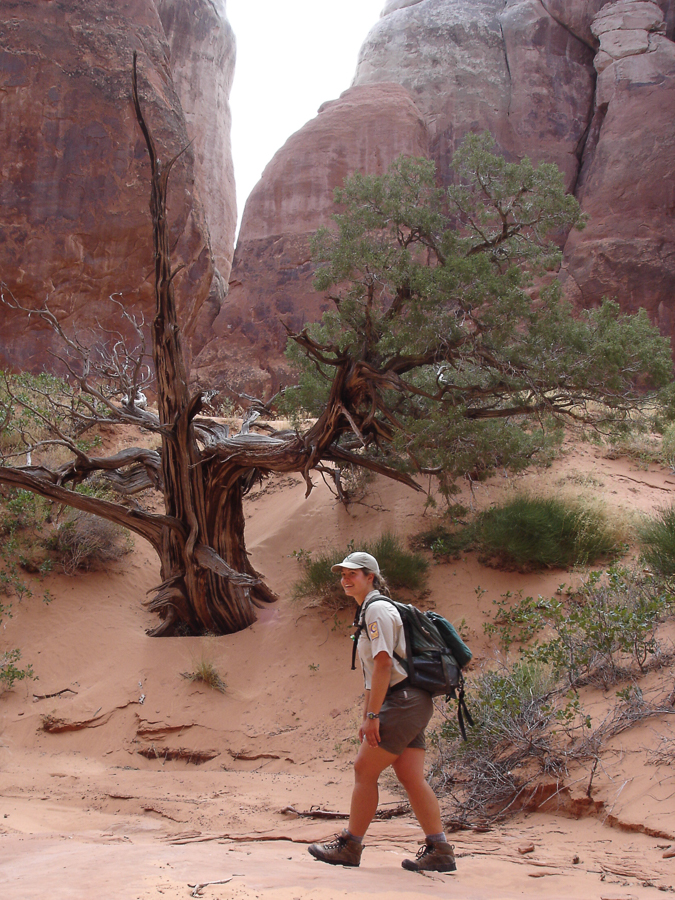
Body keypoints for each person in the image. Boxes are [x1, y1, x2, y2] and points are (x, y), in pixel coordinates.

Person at [307, 551, 456, 873]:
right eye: (342, 575)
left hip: (402, 701)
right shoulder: (368, 612)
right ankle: (440, 849)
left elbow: (384, 664)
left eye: (353, 574)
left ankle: (350, 846)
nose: (345, 580)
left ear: (370, 577)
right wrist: (368, 714)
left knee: (364, 769)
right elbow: (371, 675)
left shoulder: (376, 609)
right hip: (409, 701)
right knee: (410, 775)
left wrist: (374, 717)